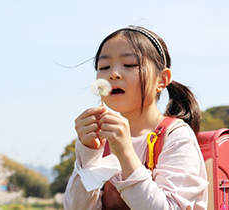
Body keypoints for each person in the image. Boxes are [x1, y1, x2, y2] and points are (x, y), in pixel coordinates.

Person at [64, 26, 208, 210]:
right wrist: (88, 152)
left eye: (130, 64)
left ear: (162, 80)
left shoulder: (176, 136)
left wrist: (125, 154)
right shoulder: (102, 140)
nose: (113, 74)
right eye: (104, 67)